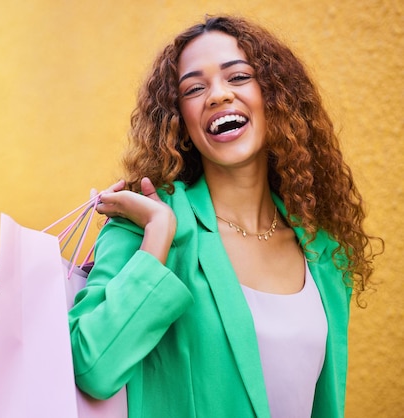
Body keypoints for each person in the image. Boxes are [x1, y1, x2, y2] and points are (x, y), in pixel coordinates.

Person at [68, 15, 382, 418]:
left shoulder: (323, 254)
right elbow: (92, 366)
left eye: (238, 77)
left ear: (276, 96)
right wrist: (159, 236)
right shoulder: (145, 225)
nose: (217, 95)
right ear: (180, 119)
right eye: (195, 88)